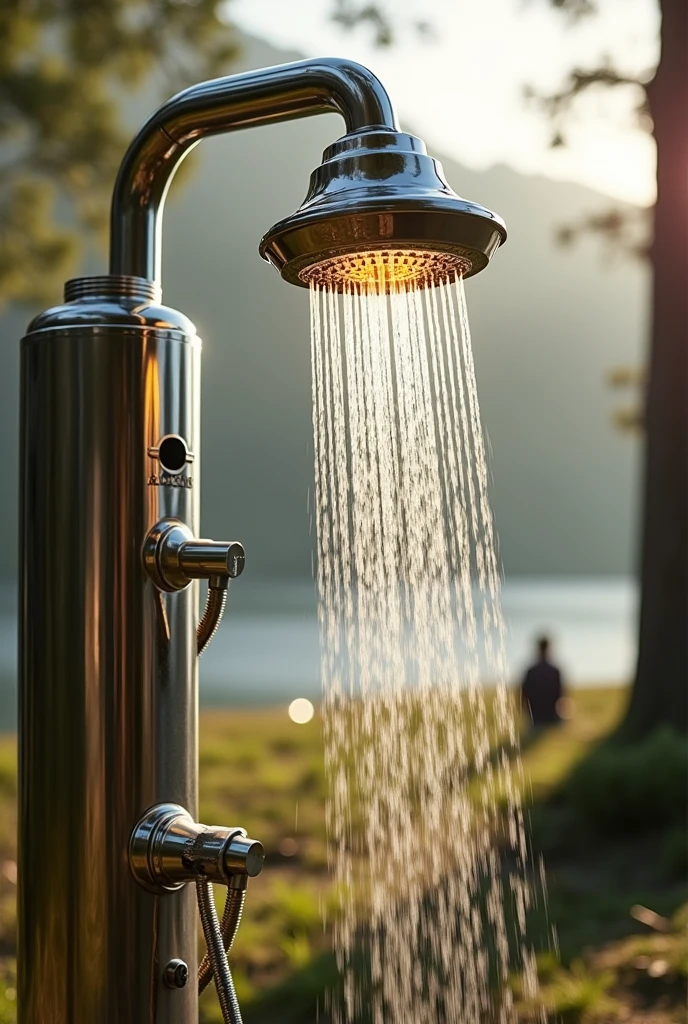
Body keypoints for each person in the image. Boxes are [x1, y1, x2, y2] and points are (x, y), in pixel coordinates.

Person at [520, 635, 564, 728]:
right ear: (549, 649)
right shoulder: (555, 671)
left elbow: (522, 696)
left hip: (535, 717)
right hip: (551, 716)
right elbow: (561, 696)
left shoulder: (530, 671)